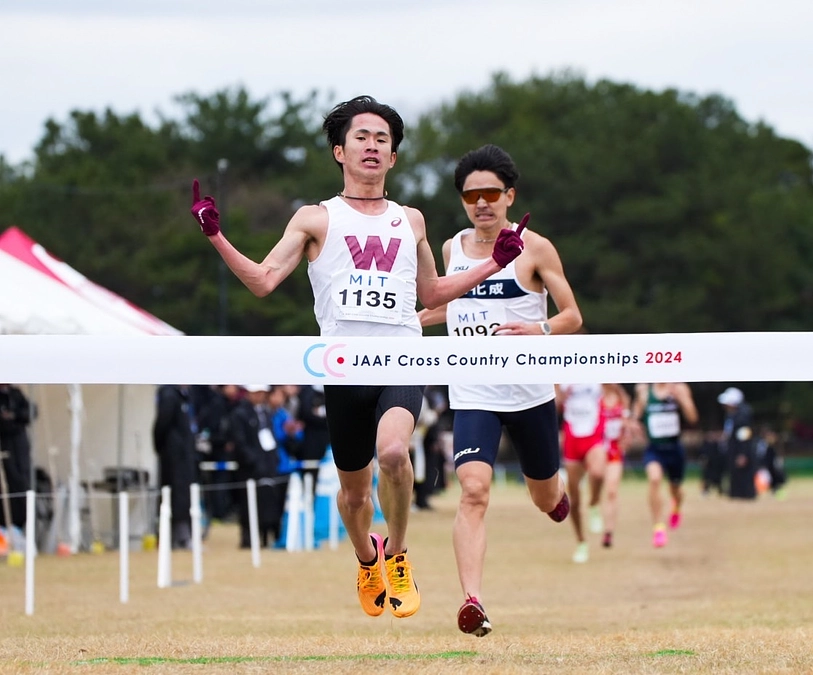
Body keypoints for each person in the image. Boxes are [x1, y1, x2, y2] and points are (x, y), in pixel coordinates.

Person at [189, 97, 526, 619]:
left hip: (401, 358)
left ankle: (397, 554)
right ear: (339, 151)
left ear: (392, 158)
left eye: (382, 140)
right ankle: (366, 557)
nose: (372, 146)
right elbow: (262, 281)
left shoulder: (410, 219)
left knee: (394, 453)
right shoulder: (316, 218)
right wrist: (215, 235)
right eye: (362, 137)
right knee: (352, 494)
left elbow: (432, 294)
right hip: (341, 367)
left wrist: (494, 264)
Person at [419, 144, 582, 636]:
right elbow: (453, 307)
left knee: (544, 498)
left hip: (530, 394)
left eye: (491, 193)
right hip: (473, 394)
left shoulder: (536, 247)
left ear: (510, 196)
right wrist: (413, 320)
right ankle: (473, 602)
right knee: (473, 490)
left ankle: (557, 494)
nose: (482, 203)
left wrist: (539, 330)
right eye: (471, 195)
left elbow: (573, 316)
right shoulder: (451, 249)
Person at [631, 382, 698, 548]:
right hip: (654, 449)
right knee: (654, 479)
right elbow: (635, 418)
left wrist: (683, 400)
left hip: (674, 449)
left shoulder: (679, 388)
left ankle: (676, 507)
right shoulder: (645, 391)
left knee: (676, 489)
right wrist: (636, 426)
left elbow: (693, 417)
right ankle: (658, 528)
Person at [555, 382, 606, 563]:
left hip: (594, 435)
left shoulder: (598, 368)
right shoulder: (560, 376)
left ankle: (594, 503)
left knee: (598, 473)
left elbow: (615, 393)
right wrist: (563, 396)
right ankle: (581, 542)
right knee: (574, 500)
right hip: (572, 439)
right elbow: (553, 404)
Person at [152, 385, 199, 549]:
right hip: (173, 455)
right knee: (174, 494)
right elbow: (161, 424)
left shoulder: (185, 395)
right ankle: (174, 536)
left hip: (184, 454)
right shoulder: (169, 394)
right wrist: (162, 447)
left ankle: (183, 535)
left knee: (184, 494)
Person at [598, 383, 632, 549]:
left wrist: (627, 433)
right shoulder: (594, 398)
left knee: (611, 490)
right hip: (596, 451)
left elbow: (627, 425)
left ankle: (608, 531)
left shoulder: (622, 399)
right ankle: (593, 508)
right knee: (596, 486)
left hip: (614, 452)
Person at [0, 384, 35, 532]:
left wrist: (14, 416)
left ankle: (19, 525)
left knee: (21, 484)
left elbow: (31, 412)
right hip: (4, 443)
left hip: (19, 450)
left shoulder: (16, 394)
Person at [717, 387, 757, 500]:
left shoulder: (743, 417)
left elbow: (744, 436)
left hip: (741, 450)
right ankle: (735, 493)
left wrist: (743, 453)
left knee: (743, 474)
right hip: (733, 449)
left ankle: (745, 495)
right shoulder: (731, 416)